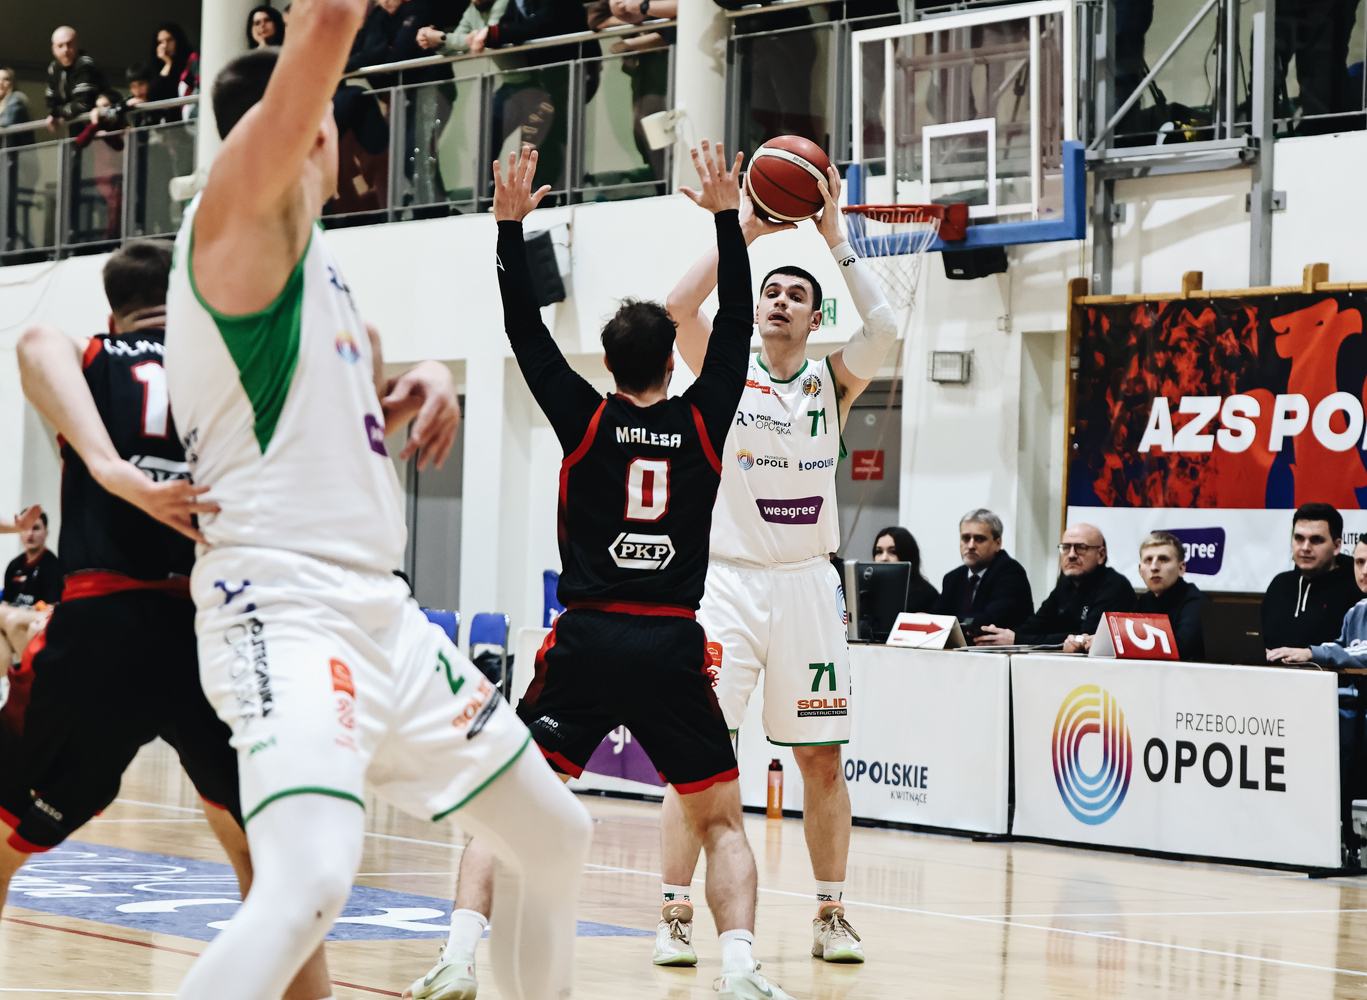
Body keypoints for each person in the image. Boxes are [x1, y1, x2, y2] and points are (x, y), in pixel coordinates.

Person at [161, 14, 590, 999]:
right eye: (329, 119)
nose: (349, 147)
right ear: (304, 125)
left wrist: (421, 381)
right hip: (283, 605)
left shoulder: (314, 263)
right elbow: (326, 21)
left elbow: (343, 397)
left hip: (383, 618)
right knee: (308, 883)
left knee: (555, 836)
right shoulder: (235, 212)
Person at [405, 141, 791, 1000]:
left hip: (584, 639)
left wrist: (508, 227)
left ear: (609, 365)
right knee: (721, 822)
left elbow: (523, 328)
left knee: (502, 813)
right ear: (671, 362)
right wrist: (727, 220)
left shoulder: (582, 418)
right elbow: (733, 324)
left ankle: (458, 959)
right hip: (669, 644)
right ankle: (739, 969)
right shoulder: (703, 421)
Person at [1, 241, 331, 1000]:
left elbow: (36, 341)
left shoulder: (91, 356)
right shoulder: (223, 370)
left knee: (1, 844)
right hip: (212, 629)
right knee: (268, 868)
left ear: (111, 311)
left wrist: (111, 468)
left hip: (104, 622)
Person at [657, 148, 900, 971]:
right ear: (755, 305)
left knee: (821, 760)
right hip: (726, 586)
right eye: (770, 291)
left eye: (796, 294)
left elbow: (885, 329)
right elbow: (675, 307)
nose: (780, 300)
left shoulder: (834, 382)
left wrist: (833, 238)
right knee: (697, 759)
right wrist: (746, 230)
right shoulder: (725, 373)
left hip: (804, 587)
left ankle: (830, 914)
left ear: (813, 313)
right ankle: (674, 914)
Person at [978, 523, 1135, 646]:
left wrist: (1017, 639)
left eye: (1080, 548)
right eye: (1066, 548)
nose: (1071, 555)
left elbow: (1086, 637)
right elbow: (1037, 624)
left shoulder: (1115, 586)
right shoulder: (1065, 585)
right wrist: (997, 635)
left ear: (1101, 555)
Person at [1065, 530, 1208, 659]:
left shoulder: (1196, 602)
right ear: (1140, 570)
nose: (1154, 567)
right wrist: (1087, 641)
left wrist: (1112, 644)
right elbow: (1127, 636)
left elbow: (1181, 649)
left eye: (1163, 559)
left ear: (1181, 568)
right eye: (1148, 560)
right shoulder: (1146, 600)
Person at [1262, 503, 1362, 651]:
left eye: (1316, 540)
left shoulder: (1356, 589)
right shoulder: (1279, 585)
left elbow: (1358, 654)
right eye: (1299, 538)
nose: (1305, 548)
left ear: (1336, 546)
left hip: (1327, 667)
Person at [930, 509, 1033, 630]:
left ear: (997, 543)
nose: (971, 546)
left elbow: (991, 620)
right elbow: (936, 616)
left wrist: (946, 622)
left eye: (979, 539)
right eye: (966, 538)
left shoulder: (1011, 573)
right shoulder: (953, 577)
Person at [45, 26, 107, 135]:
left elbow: (83, 104)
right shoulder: (54, 68)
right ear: (54, 49)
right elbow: (51, 101)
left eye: (69, 44)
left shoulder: (85, 65)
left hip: (99, 126)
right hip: (76, 127)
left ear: (77, 44)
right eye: (60, 46)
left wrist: (57, 112)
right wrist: (54, 113)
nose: (65, 49)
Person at [871, 525, 937, 614]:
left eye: (893, 552)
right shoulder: (869, 591)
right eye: (879, 552)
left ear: (907, 555)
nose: (884, 558)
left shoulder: (925, 594)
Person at [147, 23, 199, 122]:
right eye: (160, 42)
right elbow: (154, 96)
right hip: (169, 125)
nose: (165, 45)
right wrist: (168, 64)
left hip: (189, 119)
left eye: (169, 40)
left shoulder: (190, 61)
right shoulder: (156, 67)